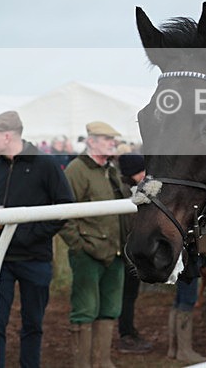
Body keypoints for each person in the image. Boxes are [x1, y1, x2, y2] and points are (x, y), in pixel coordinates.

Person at [0, 110, 75, 368]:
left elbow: (65, 207)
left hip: (35, 259)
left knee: (33, 324)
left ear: (7, 136)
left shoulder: (46, 165)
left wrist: (29, 235)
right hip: (0, 259)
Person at [60, 122, 126, 368]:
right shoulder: (76, 170)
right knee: (85, 310)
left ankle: (102, 361)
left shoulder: (110, 169)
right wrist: (79, 245)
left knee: (110, 309)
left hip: (114, 251)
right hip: (88, 252)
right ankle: (82, 364)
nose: (112, 143)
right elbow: (63, 212)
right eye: (107, 139)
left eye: (113, 140)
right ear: (92, 141)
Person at [114, 153, 153, 354]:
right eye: (141, 171)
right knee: (127, 295)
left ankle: (128, 331)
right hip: (126, 250)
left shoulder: (130, 190)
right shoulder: (127, 192)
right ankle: (126, 334)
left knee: (130, 294)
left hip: (129, 250)